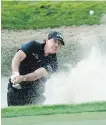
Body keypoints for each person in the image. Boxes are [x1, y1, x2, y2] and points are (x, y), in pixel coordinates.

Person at [7, 31, 65, 106]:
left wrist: (23, 78)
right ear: (47, 40)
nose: (57, 45)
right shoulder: (33, 45)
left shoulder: (54, 63)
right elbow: (17, 57)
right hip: (16, 88)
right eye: (55, 41)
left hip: (35, 95)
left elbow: (37, 74)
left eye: (59, 43)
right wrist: (15, 73)